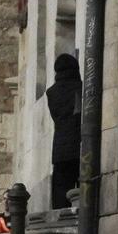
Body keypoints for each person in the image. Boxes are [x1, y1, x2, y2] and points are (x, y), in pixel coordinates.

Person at [46, 54, 83, 210]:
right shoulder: (80, 88)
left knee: (61, 193)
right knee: (83, 190)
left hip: (59, 149)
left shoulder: (51, 92)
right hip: (80, 145)